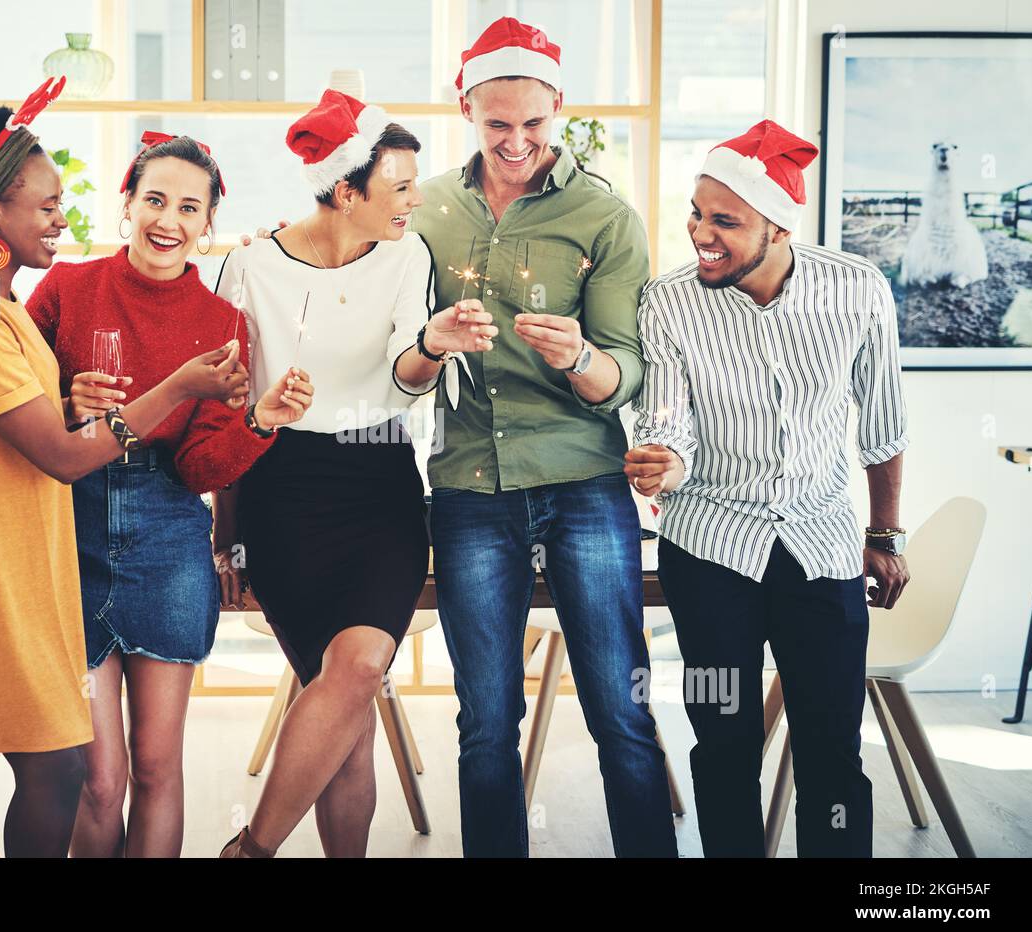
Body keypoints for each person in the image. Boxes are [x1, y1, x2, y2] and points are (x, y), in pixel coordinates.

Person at [0, 79, 250, 857]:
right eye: (46, 206)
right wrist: (175, 385)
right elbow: (60, 453)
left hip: (12, 566)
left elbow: (41, 414)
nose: (61, 218)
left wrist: (73, 395)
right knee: (51, 767)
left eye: (192, 207)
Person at [393, 18, 678, 858]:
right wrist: (434, 338)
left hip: (585, 478)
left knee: (620, 707)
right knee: (484, 717)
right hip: (469, 486)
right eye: (495, 124)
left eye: (534, 123)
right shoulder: (427, 211)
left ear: (559, 106)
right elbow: (401, 365)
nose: (516, 142)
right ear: (466, 110)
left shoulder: (607, 217)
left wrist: (581, 355)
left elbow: (627, 371)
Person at [214, 90, 495, 858]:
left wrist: (434, 343)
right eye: (400, 186)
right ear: (347, 192)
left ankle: (251, 848)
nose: (416, 199)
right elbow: (227, 405)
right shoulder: (250, 266)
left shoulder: (409, 255)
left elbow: (406, 378)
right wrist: (226, 533)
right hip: (281, 487)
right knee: (349, 718)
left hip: (380, 485)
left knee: (361, 665)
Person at [625, 119, 910, 857]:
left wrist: (883, 534)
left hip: (821, 548)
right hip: (711, 550)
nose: (700, 233)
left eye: (725, 220)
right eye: (696, 212)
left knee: (832, 753)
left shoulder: (857, 290)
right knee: (722, 744)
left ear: (778, 227)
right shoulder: (668, 302)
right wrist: (667, 462)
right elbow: (667, 420)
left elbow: (883, 426)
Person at [25, 132, 311, 858]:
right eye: (155, 199)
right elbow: (9, 406)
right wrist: (63, 403)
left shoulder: (222, 326)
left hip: (168, 540)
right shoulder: (66, 290)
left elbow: (199, 468)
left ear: (208, 222)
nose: (169, 219)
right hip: (72, 529)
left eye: (190, 206)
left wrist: (259, 420)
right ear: (127, 203)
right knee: (98, 774)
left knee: (155, 765)